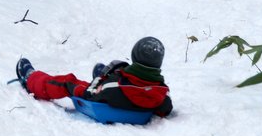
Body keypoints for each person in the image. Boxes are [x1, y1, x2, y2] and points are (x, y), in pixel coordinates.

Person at [15, 37, 172, 117]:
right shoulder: (161, 93)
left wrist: (102, 79)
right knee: (116, 75)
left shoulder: (113, 88)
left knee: (68, 82)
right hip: (130, 89)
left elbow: (92, 92)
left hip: (109, 96)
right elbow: (165, 109)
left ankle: (31, 79)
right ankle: (107, 75)